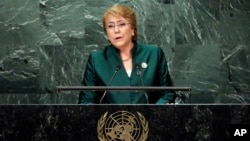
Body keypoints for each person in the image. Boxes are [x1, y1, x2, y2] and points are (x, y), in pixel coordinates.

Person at [78, 4, 175, 104]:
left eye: (122, 24)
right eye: (110, 26)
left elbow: (167, 94)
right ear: (107, 34)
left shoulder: (154, 54)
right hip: (111, 119)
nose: (116, 30)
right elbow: (85, 101)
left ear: (133, 29)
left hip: (149, 118)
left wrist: (152, 113)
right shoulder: (96, 60)